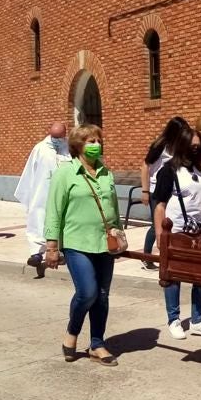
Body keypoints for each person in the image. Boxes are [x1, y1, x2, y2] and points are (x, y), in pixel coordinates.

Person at [44, 124, 120, 367]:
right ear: (78, 146)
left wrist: (118, 236)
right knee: (87, 292)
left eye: (98, 140)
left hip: (104, 243)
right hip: (77, 243)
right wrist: (52, 246)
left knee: (103, 295)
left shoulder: (106, 173)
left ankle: (97, 344)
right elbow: (54, 211)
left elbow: (113, 210)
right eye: (90, 141)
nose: (96, 145)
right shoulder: (65, 174)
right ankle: (72, 332)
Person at [153, 125, 201, 340]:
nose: (195, 150)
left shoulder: (200, 172)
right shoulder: (169, 170)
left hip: (199, 229)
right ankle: (174, 319)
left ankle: (198, 319)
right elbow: (160, 205)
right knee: (174, 275)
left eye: (198, 147)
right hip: (175, 229)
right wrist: (159, 236)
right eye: (192, 146)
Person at [15, 123, 71, 268]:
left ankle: (60, 251)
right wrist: (30, 192)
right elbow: (30, 172)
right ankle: (36, 253)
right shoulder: (40, 149)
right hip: (42, 192)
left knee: (62, 220)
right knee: (38, 219)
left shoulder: (69, 148)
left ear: (65, 134)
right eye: (55, 137)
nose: (57, 140)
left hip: (63, 192)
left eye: (60, 137)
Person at [141, 117, 189, 270]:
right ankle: (147, 255)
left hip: (172, 189)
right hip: (157, 189)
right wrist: (145, 190)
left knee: (169, 222)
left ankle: (170, 254)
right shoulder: (160, 146)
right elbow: (145, 166)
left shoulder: (179, 146)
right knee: (157, 224)